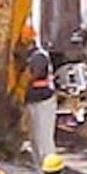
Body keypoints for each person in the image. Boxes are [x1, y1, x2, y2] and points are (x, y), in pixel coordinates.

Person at [24, 36, 57, 165]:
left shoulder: (39, 57)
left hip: (43, 101)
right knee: (35, 141)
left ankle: (51, 173)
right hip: (35, 100)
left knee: (44, 140)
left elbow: (34, 75)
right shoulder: (32, 57)